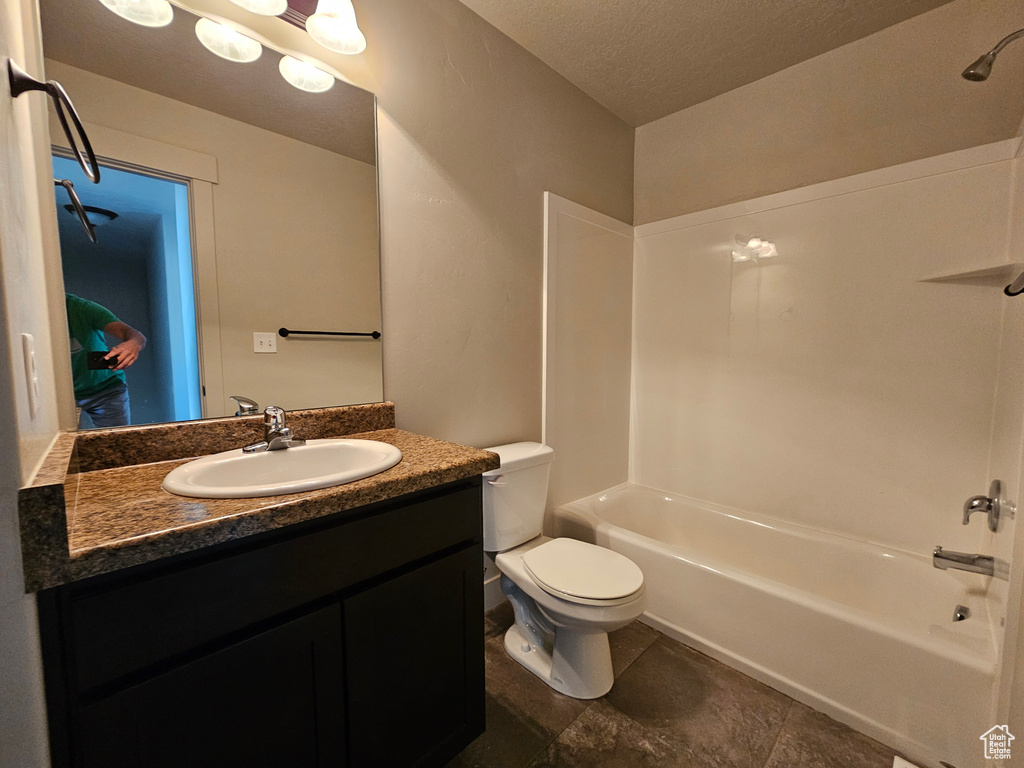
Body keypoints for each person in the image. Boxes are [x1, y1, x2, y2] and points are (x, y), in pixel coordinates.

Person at [66, 293, 146, 428]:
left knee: (118, 444)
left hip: (106, 389)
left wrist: (133, 344)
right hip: (63, 396)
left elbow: (133, 334)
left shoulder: (81, 308)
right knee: (68, 445)